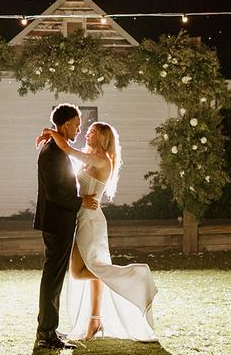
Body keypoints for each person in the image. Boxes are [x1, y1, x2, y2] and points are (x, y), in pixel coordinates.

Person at [37, 121, 158, 342]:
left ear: (102, 137)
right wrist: (52, 135)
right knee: (90, 271)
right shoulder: (89, 157)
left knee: (80, 271)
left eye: (92, 132)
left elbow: (68, 150)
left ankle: (135, 276)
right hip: (82, 218)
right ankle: (95, 319)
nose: (86, 134)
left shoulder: (103, 161)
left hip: (91, 222)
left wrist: (51, 133)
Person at [34, 103, 99, 350]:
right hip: (56, 221)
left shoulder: (56, 147)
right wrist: (81, 200)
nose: (80, 128)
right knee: (52, 278)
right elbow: (54, 194)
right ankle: (46, 333)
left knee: (54, 277)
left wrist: (51, 133)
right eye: (77, 123)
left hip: (58, 220)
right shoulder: (52, 152)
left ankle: (48, 327)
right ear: (66, 124)